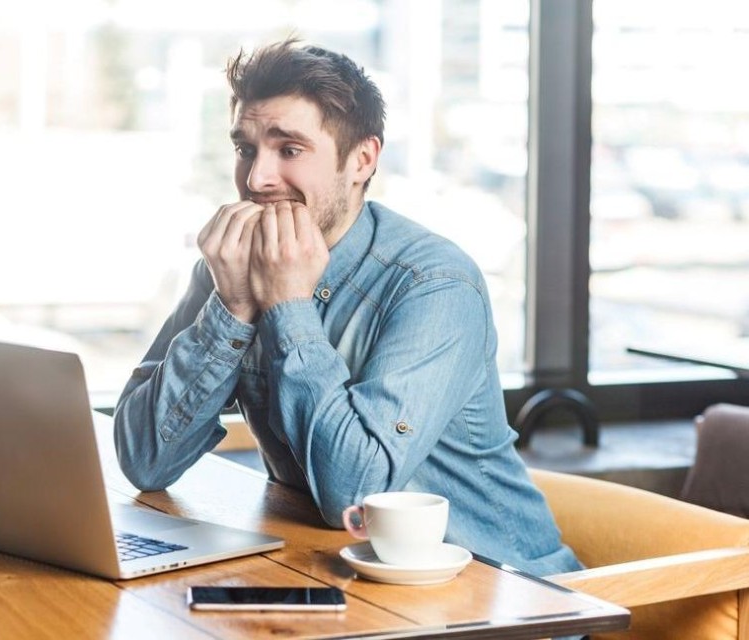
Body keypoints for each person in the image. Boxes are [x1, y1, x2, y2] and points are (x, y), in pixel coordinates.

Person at [113, 38, 582, 577]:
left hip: (510, 598)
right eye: (246, 148)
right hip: (353, 585)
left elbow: (354, 496)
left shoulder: (434, 284)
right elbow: (145, 460)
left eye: (289, 150)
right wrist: (233, 307)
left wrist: (288, 305)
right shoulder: (232, 269)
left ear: (362, 160)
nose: (258, 178)